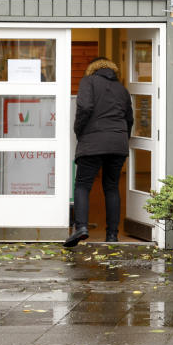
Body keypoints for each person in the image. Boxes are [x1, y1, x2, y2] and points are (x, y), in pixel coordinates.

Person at [64, 56, 134, 247]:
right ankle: (112, 235)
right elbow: (129, 119)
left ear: (91, 69)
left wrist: (79, 130)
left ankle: (81, 227)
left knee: (83, 185)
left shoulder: (88, 81)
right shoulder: (122, 89)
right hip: (117, 143)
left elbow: (85, 107)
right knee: (111, 187)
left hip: (92, 141)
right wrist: (121, 138)